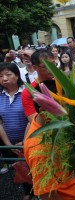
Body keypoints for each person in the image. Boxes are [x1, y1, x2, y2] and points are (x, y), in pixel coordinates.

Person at [24, 82, 75, 199]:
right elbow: (45, 194)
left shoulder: (50, 123)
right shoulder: (38, 147)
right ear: (45, 108)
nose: (74, 113)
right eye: (67, 107)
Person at [0, 62, 32, 199]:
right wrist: (8, 145)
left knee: (34, 166)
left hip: (29, 140)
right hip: (9, 142)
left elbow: (32, 118)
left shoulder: (27, 92)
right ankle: (28, 192)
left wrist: (24, 141)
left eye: (8, 74)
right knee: (21, 169)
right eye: (0, 76)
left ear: (17, 75)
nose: (4, 78)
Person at [22, 49, 55, 123]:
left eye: (53, 64)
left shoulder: (62, 83)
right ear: (35, 68)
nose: (52, 69)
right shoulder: (28, 92)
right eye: (46, 66)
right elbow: (33, 121)